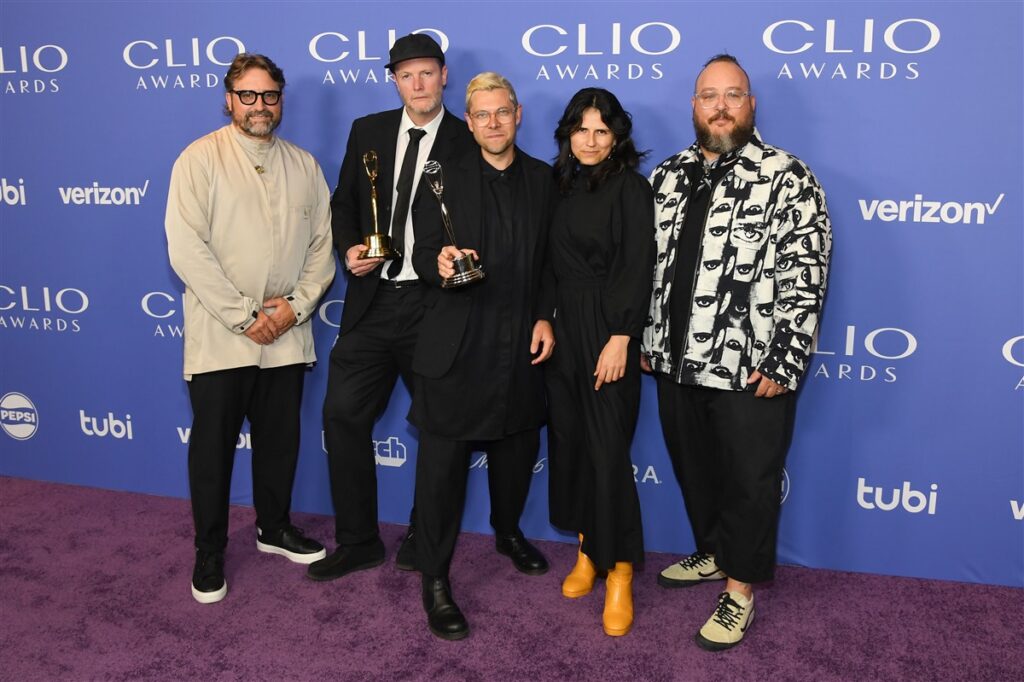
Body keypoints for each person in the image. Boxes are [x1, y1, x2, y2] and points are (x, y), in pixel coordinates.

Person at [642, 54, 832, 650]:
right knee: (695, 470)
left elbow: (807, 272)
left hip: (751, 367)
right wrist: (647, 334)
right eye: (709, 96)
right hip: (674, 360)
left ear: (751, 105)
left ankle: (739, 591)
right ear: (694, 106)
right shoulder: (666, 176)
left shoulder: (788, 176)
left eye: (733, 95)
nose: (720, 107)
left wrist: (784, 356)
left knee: (750, 480)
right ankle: (715, 551)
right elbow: (646, 266)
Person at [165, 53, 336, 604]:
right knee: (212, 450)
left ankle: (274, 527)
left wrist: (294, 308)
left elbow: (323, 247)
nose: (259, 106)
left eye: (269, 95)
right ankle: (209, 550)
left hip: (287, 333)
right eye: (248, 95)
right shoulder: (198, 159)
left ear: (281, 100)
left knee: (280, 442)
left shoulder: (305, 165)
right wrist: (244, 315)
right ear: (229, 99)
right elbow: (186, 249)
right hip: (223, 335)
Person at [310, 34, 475, 582]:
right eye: (407, 75)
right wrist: (349, 248)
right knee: (341, 414)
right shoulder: (369, 131)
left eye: (427, 73)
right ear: (395, 81)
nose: (418, 84)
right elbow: (344, 203)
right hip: (373, 302)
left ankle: (425, 537)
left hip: (437, 306)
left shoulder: (469, 138)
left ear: (444, 76)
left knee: (439, 428)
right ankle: (358, 540)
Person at [409, 72, 556, 640]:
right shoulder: (439, 176)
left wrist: (545, 315)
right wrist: (439, 265)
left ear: (518, 115)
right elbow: (423, 252)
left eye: (503, 112)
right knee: (441, 473)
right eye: (482, 114)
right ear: (468, 123)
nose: (493, 123)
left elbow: (552, 262)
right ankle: (435, 578)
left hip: (519, 342)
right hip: (457, 345)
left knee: (517, 450)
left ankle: (508, 532)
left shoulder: (544, 180)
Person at [545, 88, 654, 637]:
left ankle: (621, 571)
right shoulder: (557, 185)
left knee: (609, 453)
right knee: (573, 447)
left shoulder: (631, 188)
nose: (589, 140)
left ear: (617, 138)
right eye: (581, 129)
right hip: (563, 331)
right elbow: (543, 264)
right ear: (568, 132)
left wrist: (622, 336)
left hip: (608, 328)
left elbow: (638, 264)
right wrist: (543, 318)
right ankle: (588, 551)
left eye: (601, 131)